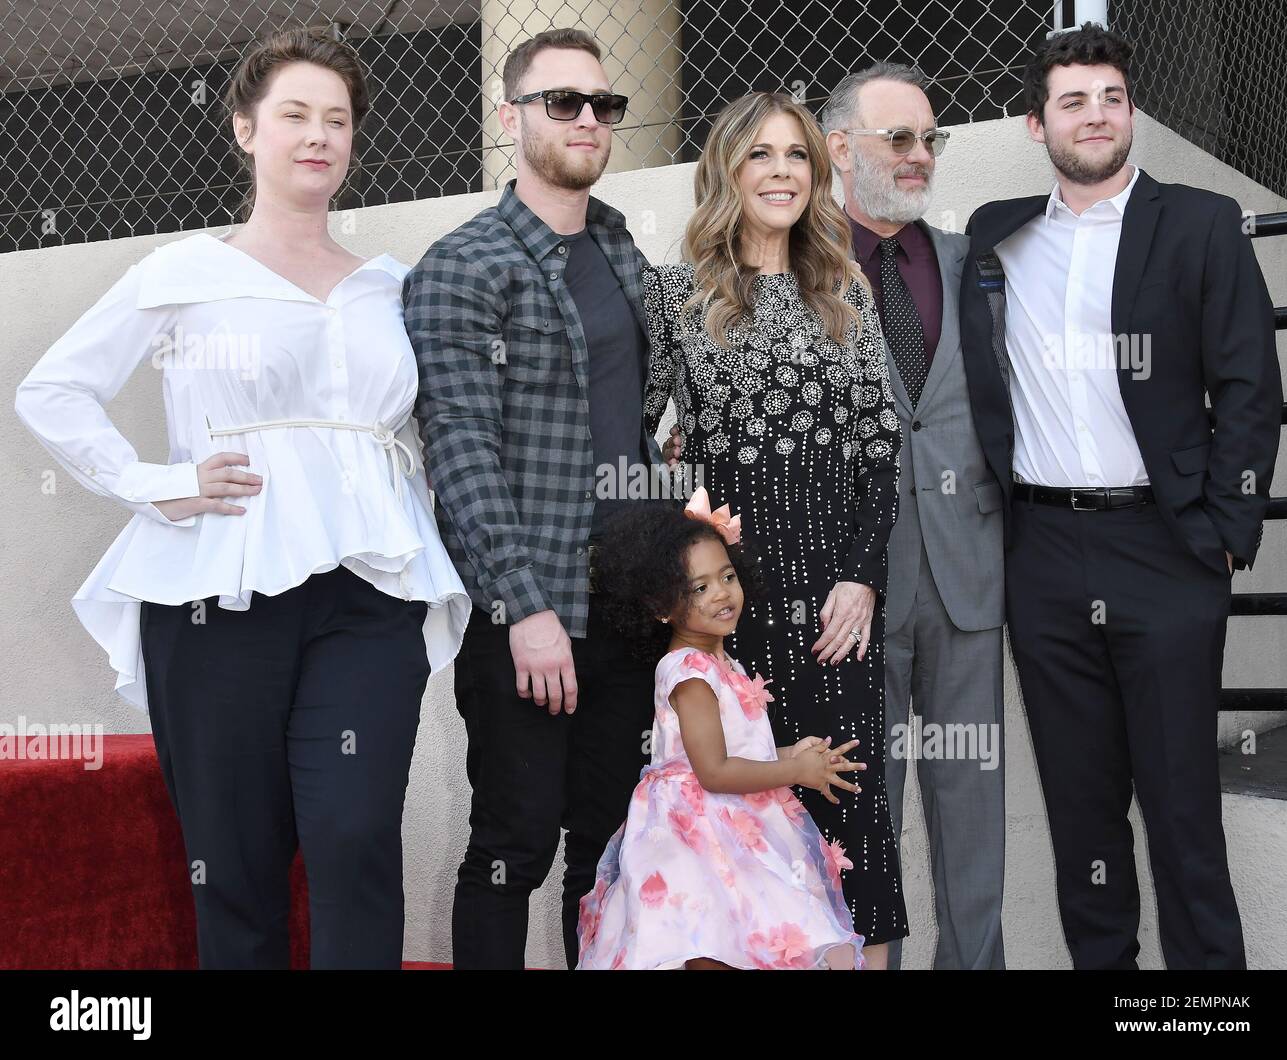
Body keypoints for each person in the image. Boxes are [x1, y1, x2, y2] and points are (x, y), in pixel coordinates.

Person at [13, 27, 470, 968]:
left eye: (337, 119)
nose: (319, 135)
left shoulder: (394, 288)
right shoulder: (184, 273)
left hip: (371, 590)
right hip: (215, 595)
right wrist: (158, 484)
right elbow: (52, 391)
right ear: (245, 130)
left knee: (355, 837)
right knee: (235, 868)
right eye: (295, 114)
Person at [960, 23, 1282, 969]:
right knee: (1080, 808)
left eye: (1111, 98)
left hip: (1166, 550)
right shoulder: (994, 236)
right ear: (1037, 125)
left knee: (1182, 807)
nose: (1096, 115)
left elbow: (1250, 388)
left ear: (1132, 110)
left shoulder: (1201, 224)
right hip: (1042, 555)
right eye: (1073, 101)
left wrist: (1226, 531)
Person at [403, 28, 666, 969]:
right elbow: (460, 452)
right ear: (510, 119)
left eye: (604, 104)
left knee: (610, 845)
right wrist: (524, 607)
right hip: (529, 610)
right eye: (563, 102)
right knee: (512, 847)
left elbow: (636, 413)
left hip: (628, 607)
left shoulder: (620, 247)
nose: (589, 119)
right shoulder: (463, 265)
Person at [644, 90, 907, 967]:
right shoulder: (675, 295)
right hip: (732, 605)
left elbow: (881, 454)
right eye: (760, 154)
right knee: (746, 818)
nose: (782, 171)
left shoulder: (845, 291)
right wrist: (686, 578)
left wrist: (862, 579)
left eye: (797, 155)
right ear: (727, 170)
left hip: (835, 603)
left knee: (850, 803)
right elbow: (640, 436)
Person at [822, 64, 1006, 969]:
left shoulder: (974, 264)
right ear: (839, 147)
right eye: (899, 137)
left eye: (930, 138)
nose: (920, 154)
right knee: (862, 810)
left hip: (968, 573)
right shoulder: (793, 266)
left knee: (974, 806)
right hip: (849, 587)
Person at [576, 493, 867, 969]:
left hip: (738, 825)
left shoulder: (722, 663)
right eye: (699, 587)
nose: (721, 593)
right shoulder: (689, 672)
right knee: (708, 945)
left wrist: (792, 753)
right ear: (661, 605)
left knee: (744, 945)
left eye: (727, 577)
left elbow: (735, 748)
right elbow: (712, 771)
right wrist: (796, 771)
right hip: (697, 837)